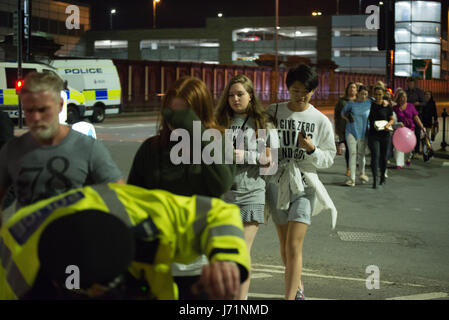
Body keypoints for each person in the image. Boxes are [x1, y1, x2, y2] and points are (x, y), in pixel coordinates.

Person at [0, 183, 250, 300]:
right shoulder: (13, 265)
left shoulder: (146, 215)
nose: (99, 293)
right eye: (89, 292)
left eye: (106, 287)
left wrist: (226, 257)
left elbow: (216, 213)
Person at [128, 76, 236, 299]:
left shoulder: (218, 141)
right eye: (171, 113)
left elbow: (221, 184)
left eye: (184, 115)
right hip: (159, 264)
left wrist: (197, 134)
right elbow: (132, 202)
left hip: (201, 265)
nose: (175, 122)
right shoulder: (152, 149)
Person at [0, 72, 124, 226]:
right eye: (29, 111)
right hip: (27, 248)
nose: (36, 117)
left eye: (43, 109)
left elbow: (119, 199)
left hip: (77, 245)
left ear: (60, 105)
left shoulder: (88, 148)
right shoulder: (12, 150)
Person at [266, 64, 337, 300]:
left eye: (306, 90)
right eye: (296, 90)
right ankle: (297, 286)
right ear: (288, 88)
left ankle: (291, 297)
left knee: (295, 245)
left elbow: (329, 158)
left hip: (305, 184)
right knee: (285, 244)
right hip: (277, 183)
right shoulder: (273, 112)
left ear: (313, 91)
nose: (301, 95)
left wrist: (312, 149)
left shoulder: (319, 120)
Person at [214, 74, 273, 300]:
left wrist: (244, 154)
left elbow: (271, 160)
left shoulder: (262, 122)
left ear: (250, 95)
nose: (235, 99)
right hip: (225, 196)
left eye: (240, 94)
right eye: (231, 95)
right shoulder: (220, 121)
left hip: (251, 194)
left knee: (241, 253)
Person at [341, 85, 371, 187]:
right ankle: (351, 179)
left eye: (366, 94)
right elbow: (342, 113)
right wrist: (347, 119)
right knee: (353, 153)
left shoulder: (370, 103)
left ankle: (362, 173)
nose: (363, 96)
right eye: (362, 93)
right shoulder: (351, 104)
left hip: (363, 132)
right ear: (358, 93)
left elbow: (382, 99)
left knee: (361, 154)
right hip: (351, 131)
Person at [367, 87, 394, 189]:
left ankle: (382, 176)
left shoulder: (387, 105)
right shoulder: (371, 105)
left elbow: (392, 119)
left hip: (385, 134)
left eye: (380, 94)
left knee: (384, 157)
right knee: (375, 156)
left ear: (383, 95)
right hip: (373, 134)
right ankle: (374, 179)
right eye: (376, 94)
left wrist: (388, 124)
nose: (378, 96)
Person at [392, 90, 426, 168]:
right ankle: (399, 163)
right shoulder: (395, 108)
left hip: (410, 131)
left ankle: (407, 158)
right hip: (399, 131)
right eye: (401, 97)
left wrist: (422, 126)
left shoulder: (411, 106)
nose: (403, 98)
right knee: (398, 148)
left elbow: (416, 117)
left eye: (405, 97)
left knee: (409, 148)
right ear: (399, 98)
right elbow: (392, 118)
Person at [334, 82, 357, 177]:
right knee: (349, 149)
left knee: (356, 150)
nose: (352, 89)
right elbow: (337, 115)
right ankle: (349, 168)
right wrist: (337, 128)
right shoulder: (342, 101)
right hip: (345, 128)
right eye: (350, 87)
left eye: (354, 87)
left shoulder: (359, 101)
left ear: (356, 90)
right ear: (347, 89)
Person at [405, 77, 425, 155]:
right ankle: (407, 149)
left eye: (412, 83)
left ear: (414, 83)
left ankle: (416, 151)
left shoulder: (419, 92)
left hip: (417, 115)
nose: (410, 85)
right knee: (407, 133)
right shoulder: (405, 92)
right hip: (407, 116)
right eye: (409, 83)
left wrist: (418, 104)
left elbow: (424, 103)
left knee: (417, 133)